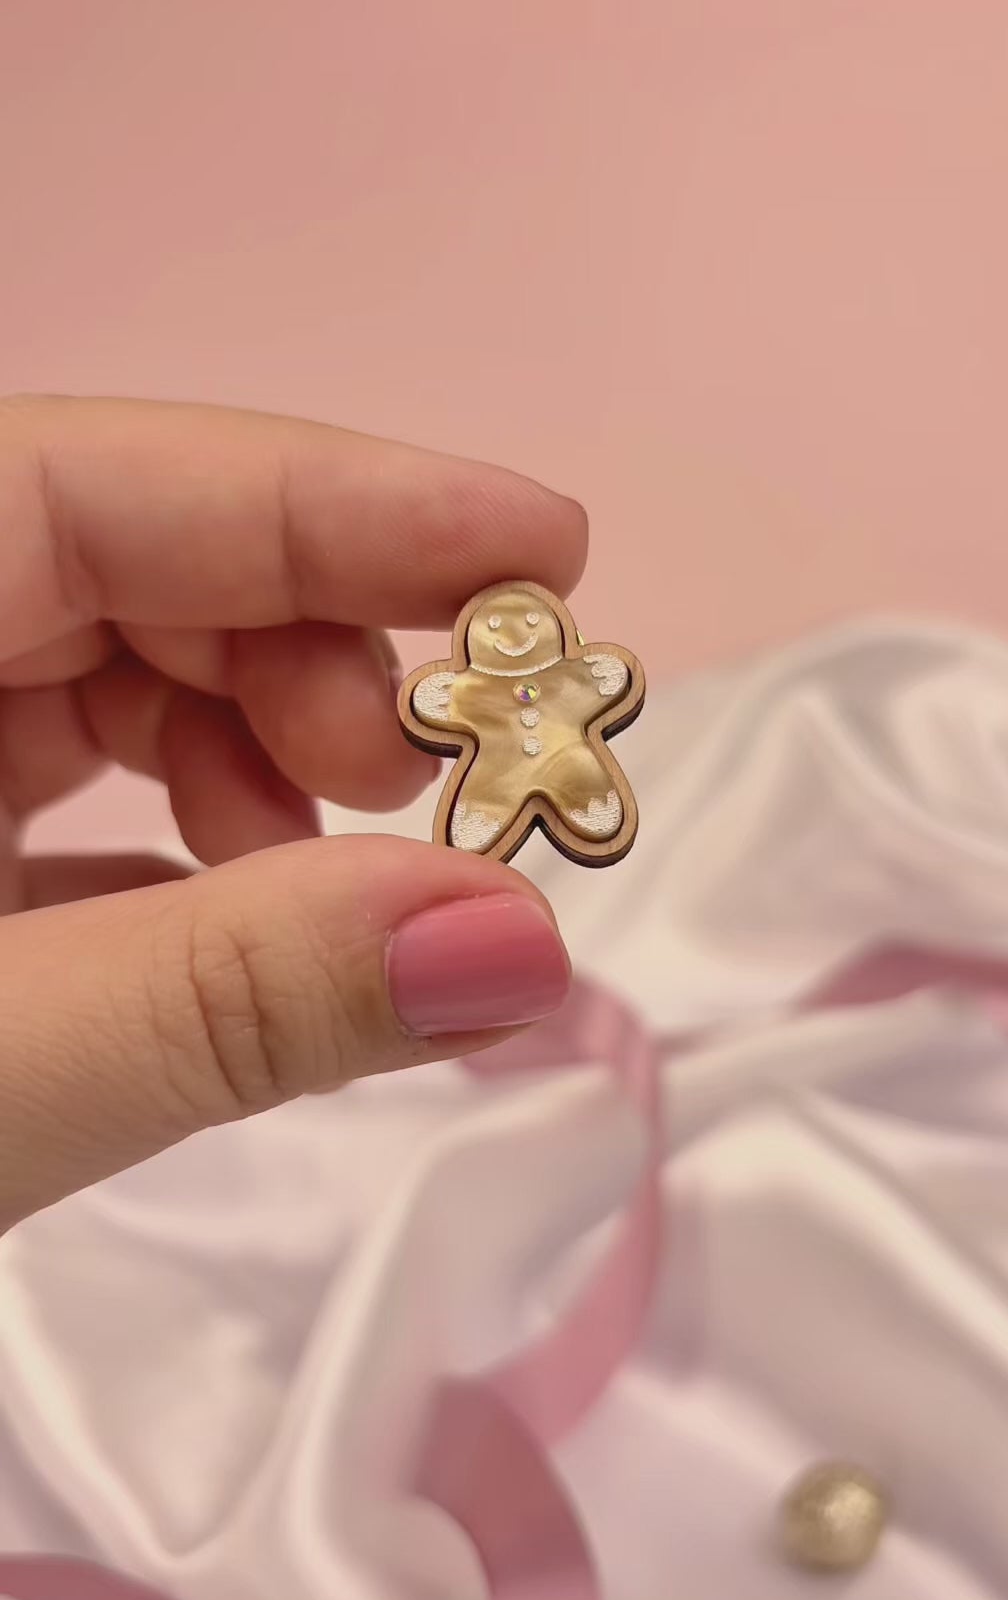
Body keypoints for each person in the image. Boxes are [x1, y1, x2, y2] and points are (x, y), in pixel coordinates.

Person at [0, 394, 581, 1235]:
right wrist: (239, 1010)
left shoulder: (577, 679)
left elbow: (600, 681)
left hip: (569, 773)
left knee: (574, 804)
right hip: (493, 784)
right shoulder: (461, 691)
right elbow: (438, 696)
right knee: (481, 815)